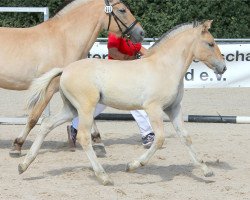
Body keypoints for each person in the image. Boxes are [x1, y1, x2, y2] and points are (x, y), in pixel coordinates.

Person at [67, 33, 155, 150]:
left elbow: (143, 51)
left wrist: (155, 57)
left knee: (99, 106)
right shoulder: (115, 34)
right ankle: (147, 134)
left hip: (127, 75)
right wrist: (129, 61)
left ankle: (74, 126)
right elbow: (113, 52)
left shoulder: (131, 37)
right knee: (133, 101)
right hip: (113, 74)